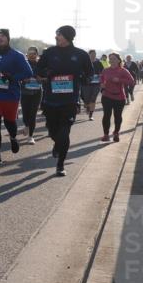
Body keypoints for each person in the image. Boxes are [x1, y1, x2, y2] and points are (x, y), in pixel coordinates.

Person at [36, 25, 93, 177]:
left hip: (70, 100)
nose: (56, 37)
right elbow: (38, 69)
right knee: (52, 131)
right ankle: (57, 144)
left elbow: (90, 73)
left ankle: (60, 165)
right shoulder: (49, 52)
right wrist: (46, 73)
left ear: (67, 36)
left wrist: (82, 78)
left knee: (64, 132)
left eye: (58, 35)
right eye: (56, 35)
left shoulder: (80, 54)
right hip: (50, 99)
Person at [0, 29, 34, 166]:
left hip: (11, 95)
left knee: (9, 122)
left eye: (3, 36)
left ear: (8, 39)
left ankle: (13, 137)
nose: (0, 38)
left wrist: (12, 78)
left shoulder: (17, 55)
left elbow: (28, 72)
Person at [100, 53, 135, 142]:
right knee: (106, 116)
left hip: (119, 97)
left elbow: (131, 82)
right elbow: (101, 80)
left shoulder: (123, 71)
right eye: (110, 59)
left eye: (114, 59)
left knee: (117, 116)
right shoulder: (105, 70)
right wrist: (102, 86)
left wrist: (119, 80)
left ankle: (116, 133)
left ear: (119, 60)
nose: (111, 60)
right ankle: (106, 134)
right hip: (107, 96)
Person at [20, 46, 44, 144]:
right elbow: (17, 76)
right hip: (25, 91)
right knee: (25, 113)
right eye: (30, 53)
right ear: (27, 54)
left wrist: (40, 79)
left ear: (37, 55)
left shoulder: (41, 65)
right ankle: (26, 125)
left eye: (34, 53)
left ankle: (30, 136)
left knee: (33, 114)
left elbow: (46, 77)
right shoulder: (23, 64)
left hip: (37, 92)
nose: (32, 55)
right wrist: (23, 79)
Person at [79, 50, 104, 121]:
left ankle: (91, 115)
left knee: (93, 99)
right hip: (86, 83)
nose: (93, 55)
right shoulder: (84, 62)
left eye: (94, 54)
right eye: (92, 54)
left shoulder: (98, 63)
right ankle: (87, 106)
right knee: (86, 99)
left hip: (96, 84)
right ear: (88, 55)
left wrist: (100, 75)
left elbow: (103, 71)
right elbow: (80, 71)